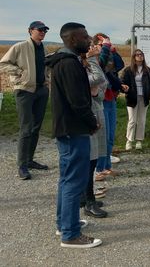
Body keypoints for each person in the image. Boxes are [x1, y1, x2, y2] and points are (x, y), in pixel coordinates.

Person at [45, 22, 102, 248]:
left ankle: (64, 223)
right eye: (84, 36)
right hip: (74, 129)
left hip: (69, 128)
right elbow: (78, 101)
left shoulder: (66, 61)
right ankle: (70, 234)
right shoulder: (68, 64)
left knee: (66, 178)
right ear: (71, 39)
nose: (89, 39)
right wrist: (92, 121)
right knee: (73, 181)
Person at [0, 21, 50, 180]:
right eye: (40, 30)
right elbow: (3, 64)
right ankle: (21, 165)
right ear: (30, 31)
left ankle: (29, 160)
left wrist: (47, 79)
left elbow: (46, 66)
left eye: (45, 30)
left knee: (36, 127)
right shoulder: (19, 47)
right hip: (24, 91)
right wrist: (19, 72)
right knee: (26, 127)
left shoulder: (44, 48)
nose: (43, 32)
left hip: (41, 90)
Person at [94, 33, 126, 182]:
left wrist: (112, 50)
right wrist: (105, 48)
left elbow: (119, 65)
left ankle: (106, 167)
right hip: (101, 101)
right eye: (103, 43)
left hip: (111, 98)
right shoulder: (94, 59)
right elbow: (102, 69)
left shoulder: (108, 57)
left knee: (110, 136)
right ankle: (99, 169)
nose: (107, 44)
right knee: (103, 137)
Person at [81, 44, 108, 218]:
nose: (92, 49)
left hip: (96, 112)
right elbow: (98, 79)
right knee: (88, 160)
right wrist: (91, 58)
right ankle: (87, 200)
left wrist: (96, 92)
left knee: (93, 158)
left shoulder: (89, 65)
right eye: (89, 47)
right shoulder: (77, 66)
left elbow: (101, 89)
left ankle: (86, 196)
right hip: (87, 116)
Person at [121, 49, 150, 151]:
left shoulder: (147, 70)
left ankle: (139, 141)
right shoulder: (128, 70)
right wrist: (126, 89)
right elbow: (122, 82)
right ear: (134, 57)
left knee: (141, 120)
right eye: (137, 55)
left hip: (144, 98)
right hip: (132, 98)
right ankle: (129, 141)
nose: (140, 56)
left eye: (141, 54)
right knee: (132, 120)